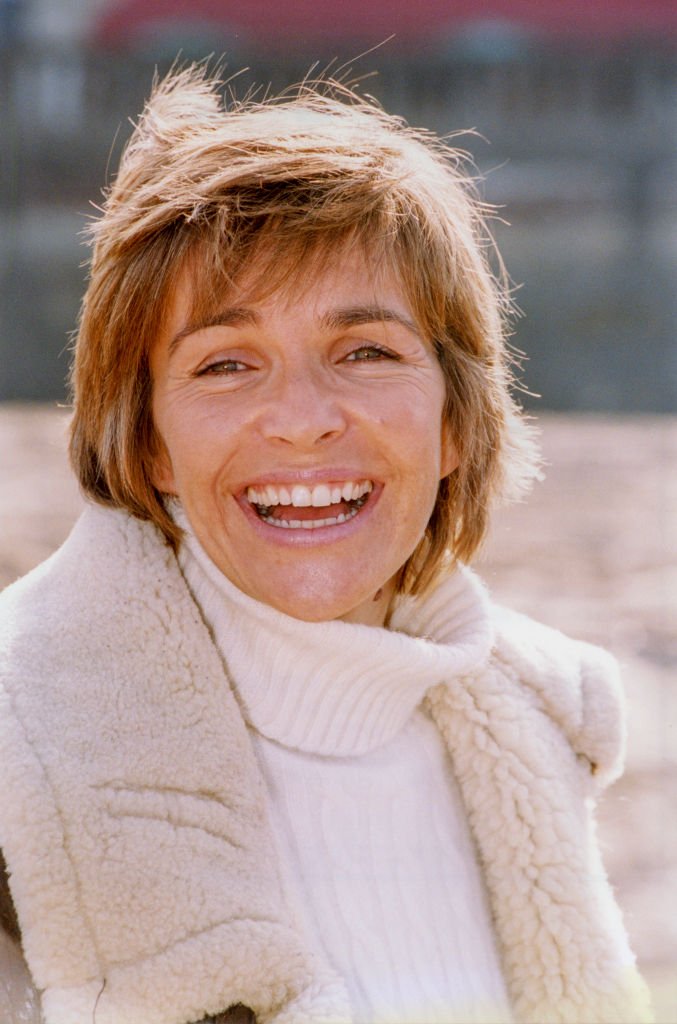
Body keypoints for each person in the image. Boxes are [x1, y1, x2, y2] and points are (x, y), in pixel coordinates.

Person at [0, 66, 652, 1024]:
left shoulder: (545, 727)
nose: (302, 422)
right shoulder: (20, 759)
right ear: (147, 442)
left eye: (365, 352)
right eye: (226, 364)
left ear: (456, 421)